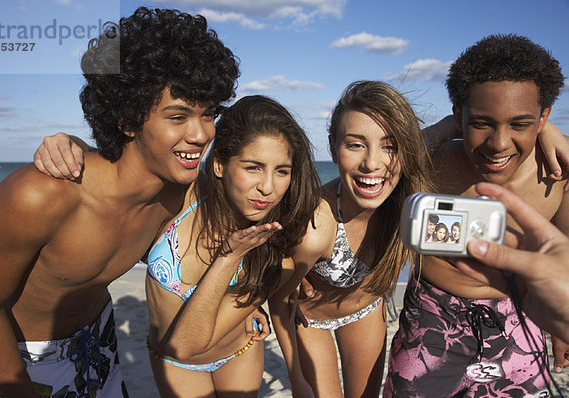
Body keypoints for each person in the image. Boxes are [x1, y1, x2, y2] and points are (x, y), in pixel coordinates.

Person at [0, 7, 239, 398]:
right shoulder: (40, 195)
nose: (200, 134)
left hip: (101, 341)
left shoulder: (178, 193)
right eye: (178, 117)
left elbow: (214, 249)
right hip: (25, 360)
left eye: (209, 114)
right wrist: (18, 388)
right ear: (127, 119)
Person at [385, 34, 568, 397]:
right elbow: (387, 165)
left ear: (543, 116)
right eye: (481, 123)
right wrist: (449, 127)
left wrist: (561, 328)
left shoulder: (557, 175)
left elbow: (562, 260)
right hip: (431, 318)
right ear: (457, 116)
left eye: (520, 124)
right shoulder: (433, 165)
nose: (498, 144)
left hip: (519, 319)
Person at [145, 95, 320, 396]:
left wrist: (229, 257)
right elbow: (123, 170)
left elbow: (186, 343)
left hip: (238, 353)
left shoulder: (273, 258)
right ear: (219, 165)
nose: (268, 187)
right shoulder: (181, 197)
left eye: (282, 171)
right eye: (253, 167)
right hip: (175, 364)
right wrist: (68, 144)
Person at [269, 81, 434, 398]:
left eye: (389, 146)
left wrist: (547, 132)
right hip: (311, 321)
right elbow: (279, 298)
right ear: (333, 147)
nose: (372, 163)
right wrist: (295, 377)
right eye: (356, 145)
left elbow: (456, 132)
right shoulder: (315, 226)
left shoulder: (409, 204)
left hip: (366, 309)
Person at [453, 182, 569, 343]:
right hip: (435, 310)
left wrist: (561, 325)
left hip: (526, 313)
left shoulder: (556, 171)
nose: (496, 154)